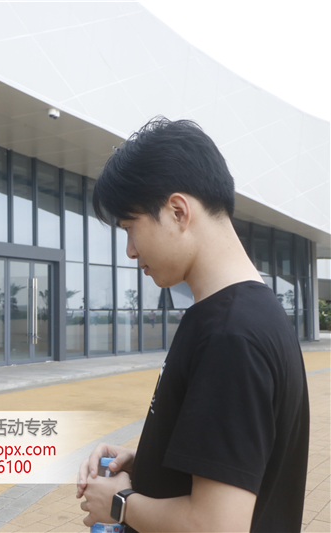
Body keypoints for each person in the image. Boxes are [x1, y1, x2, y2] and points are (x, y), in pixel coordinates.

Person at [77, 117, 309, 532]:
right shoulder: (249, 313)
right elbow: (236, 464)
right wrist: (147, 461)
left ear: (178, 211)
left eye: (130, 228)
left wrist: (119, 504)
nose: (130, 251)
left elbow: (217, 526)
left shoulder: (231, 335)